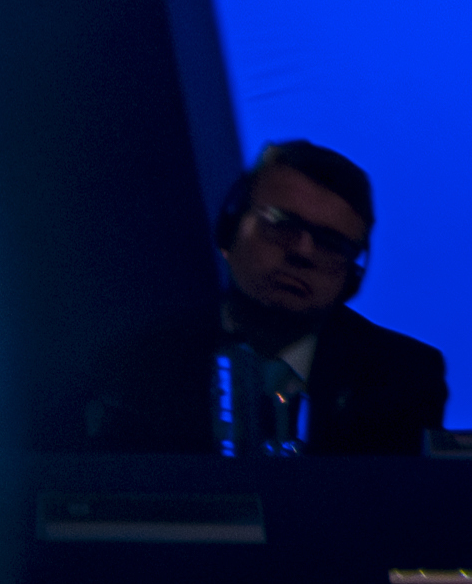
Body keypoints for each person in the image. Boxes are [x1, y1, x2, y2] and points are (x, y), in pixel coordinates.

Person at [65, 139, 445, 455]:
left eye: (330, 243)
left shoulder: (403, 378)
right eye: (281, 225)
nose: (302, 252)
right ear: (229, 229)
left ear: (353, 275)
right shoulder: (139, 366)